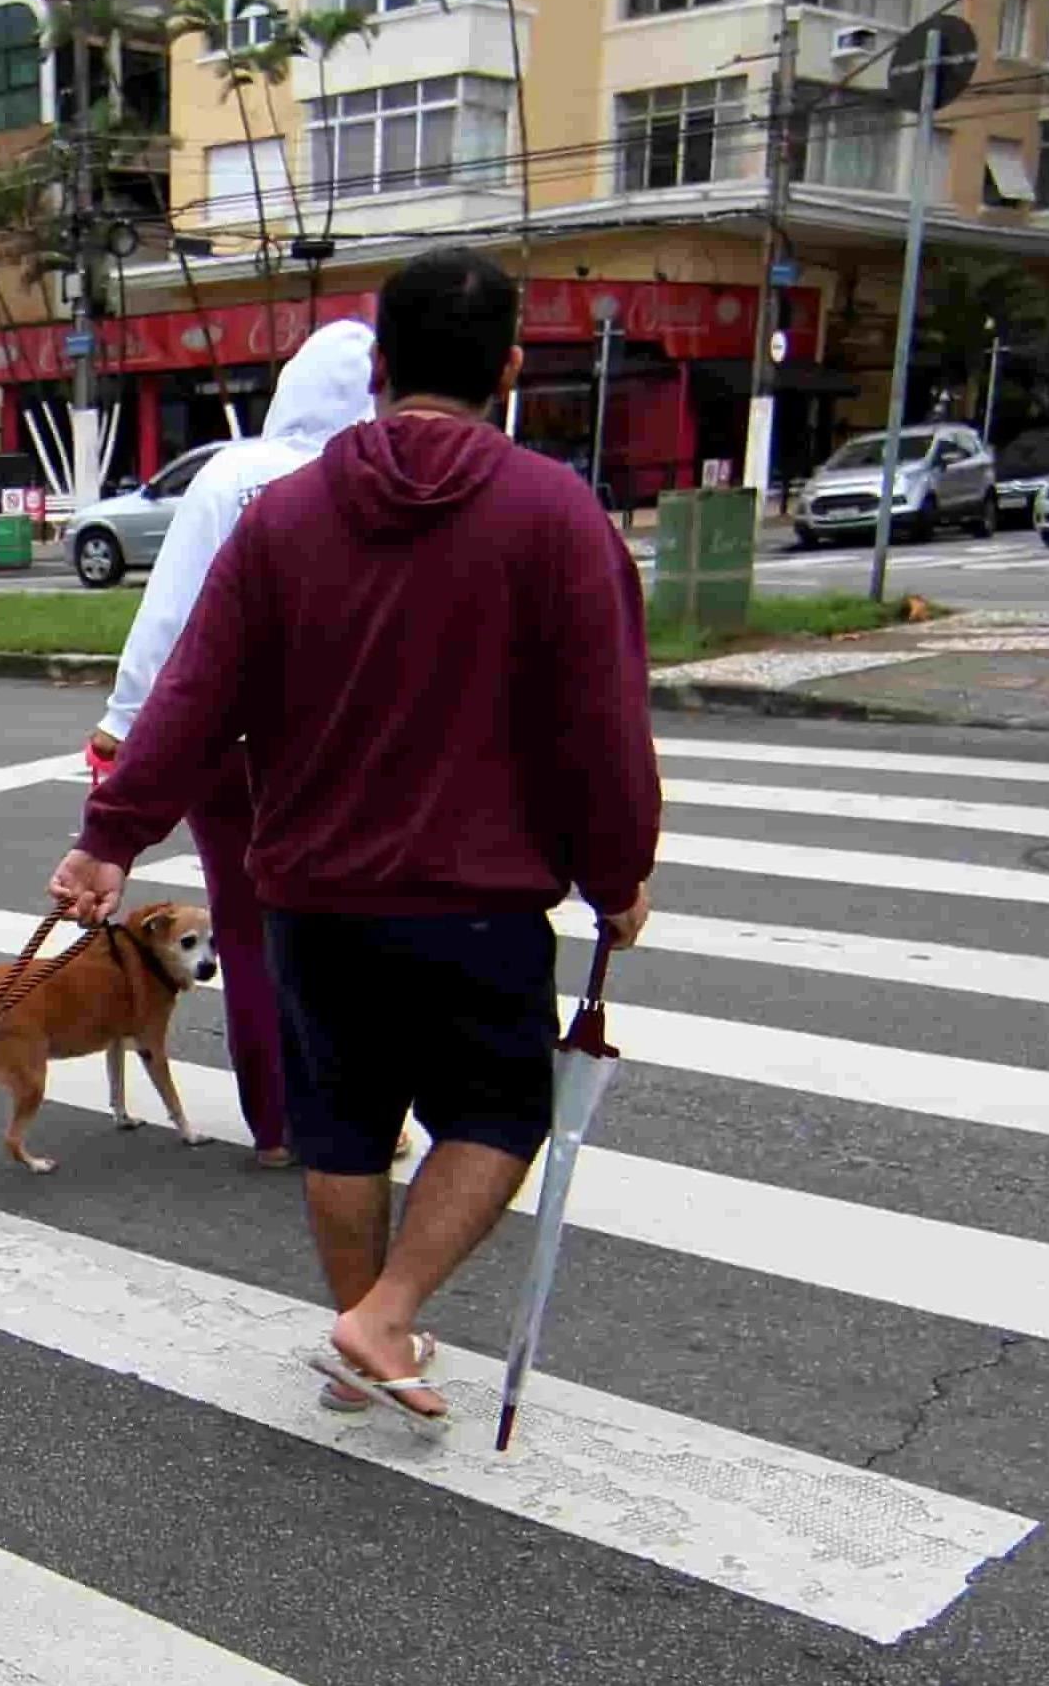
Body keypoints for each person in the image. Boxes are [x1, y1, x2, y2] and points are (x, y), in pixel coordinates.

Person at [46, 248, 659, 1427]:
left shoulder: (284, 517)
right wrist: (616, 875)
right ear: (510, 369)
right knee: (497, 1113)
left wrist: (110, 836)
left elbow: (194, 694)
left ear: (379, 365)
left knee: (343, 1129)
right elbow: (603, 726)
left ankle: (360, 1341)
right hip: (477, 899)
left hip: (313, 898)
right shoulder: (557, 516)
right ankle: (387, 1317)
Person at [87, 321, 378, 1167]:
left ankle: (276, 1126)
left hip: (229, 750)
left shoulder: (231, 476)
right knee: (350, 937)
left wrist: (121, 724)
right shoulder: (381, 479)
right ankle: (355, 1116)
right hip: (343, 746)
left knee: (245, 933)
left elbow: (170, 616)